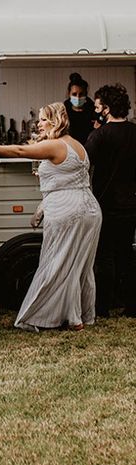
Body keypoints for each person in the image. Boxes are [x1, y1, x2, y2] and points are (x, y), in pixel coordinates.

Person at [0, 102, 101, 332]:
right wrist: (41, 208)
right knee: (79, 264)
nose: (38, 124)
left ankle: (59, 316)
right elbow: (67, 180)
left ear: (54, 120)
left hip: (66, 209)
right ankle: (79, 314)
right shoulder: (77, 145)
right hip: (89, 207)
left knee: (59, 260)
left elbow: (19, 151)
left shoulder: (55, 145)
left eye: (42, 119)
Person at [86, 83, 136, 317]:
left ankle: (103, 306)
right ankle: (131, 305)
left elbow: (83, 164)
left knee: (104, 254)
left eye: (98, 106)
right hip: (131, 203)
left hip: (105, 201)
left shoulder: (99, 135)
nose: (96, 110)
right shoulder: (134, 132)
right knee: (126, 253)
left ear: (106, 108)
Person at [63, 72, 97, 144]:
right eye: (74, 94)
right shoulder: (63, 111)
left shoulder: (94, 111)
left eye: (81, 94)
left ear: (86, 94)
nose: (78, 97)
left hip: (90, 149)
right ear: (69, 94)